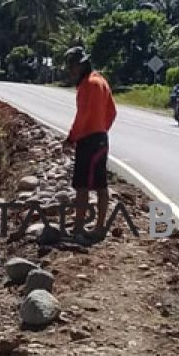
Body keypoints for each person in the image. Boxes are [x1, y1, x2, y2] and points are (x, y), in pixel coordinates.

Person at [62, 46, 116, 242]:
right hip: (100, 138)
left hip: (89, 141)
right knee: (100, 185)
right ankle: (98, 227)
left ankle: (81, 228)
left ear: (82, 65)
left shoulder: (88, 85)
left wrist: (71, 138)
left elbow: (82, 116)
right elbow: (112, 112)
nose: (71, 71)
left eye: (73, 67)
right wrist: (101, 128)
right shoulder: (101, 81)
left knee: (83, 186)